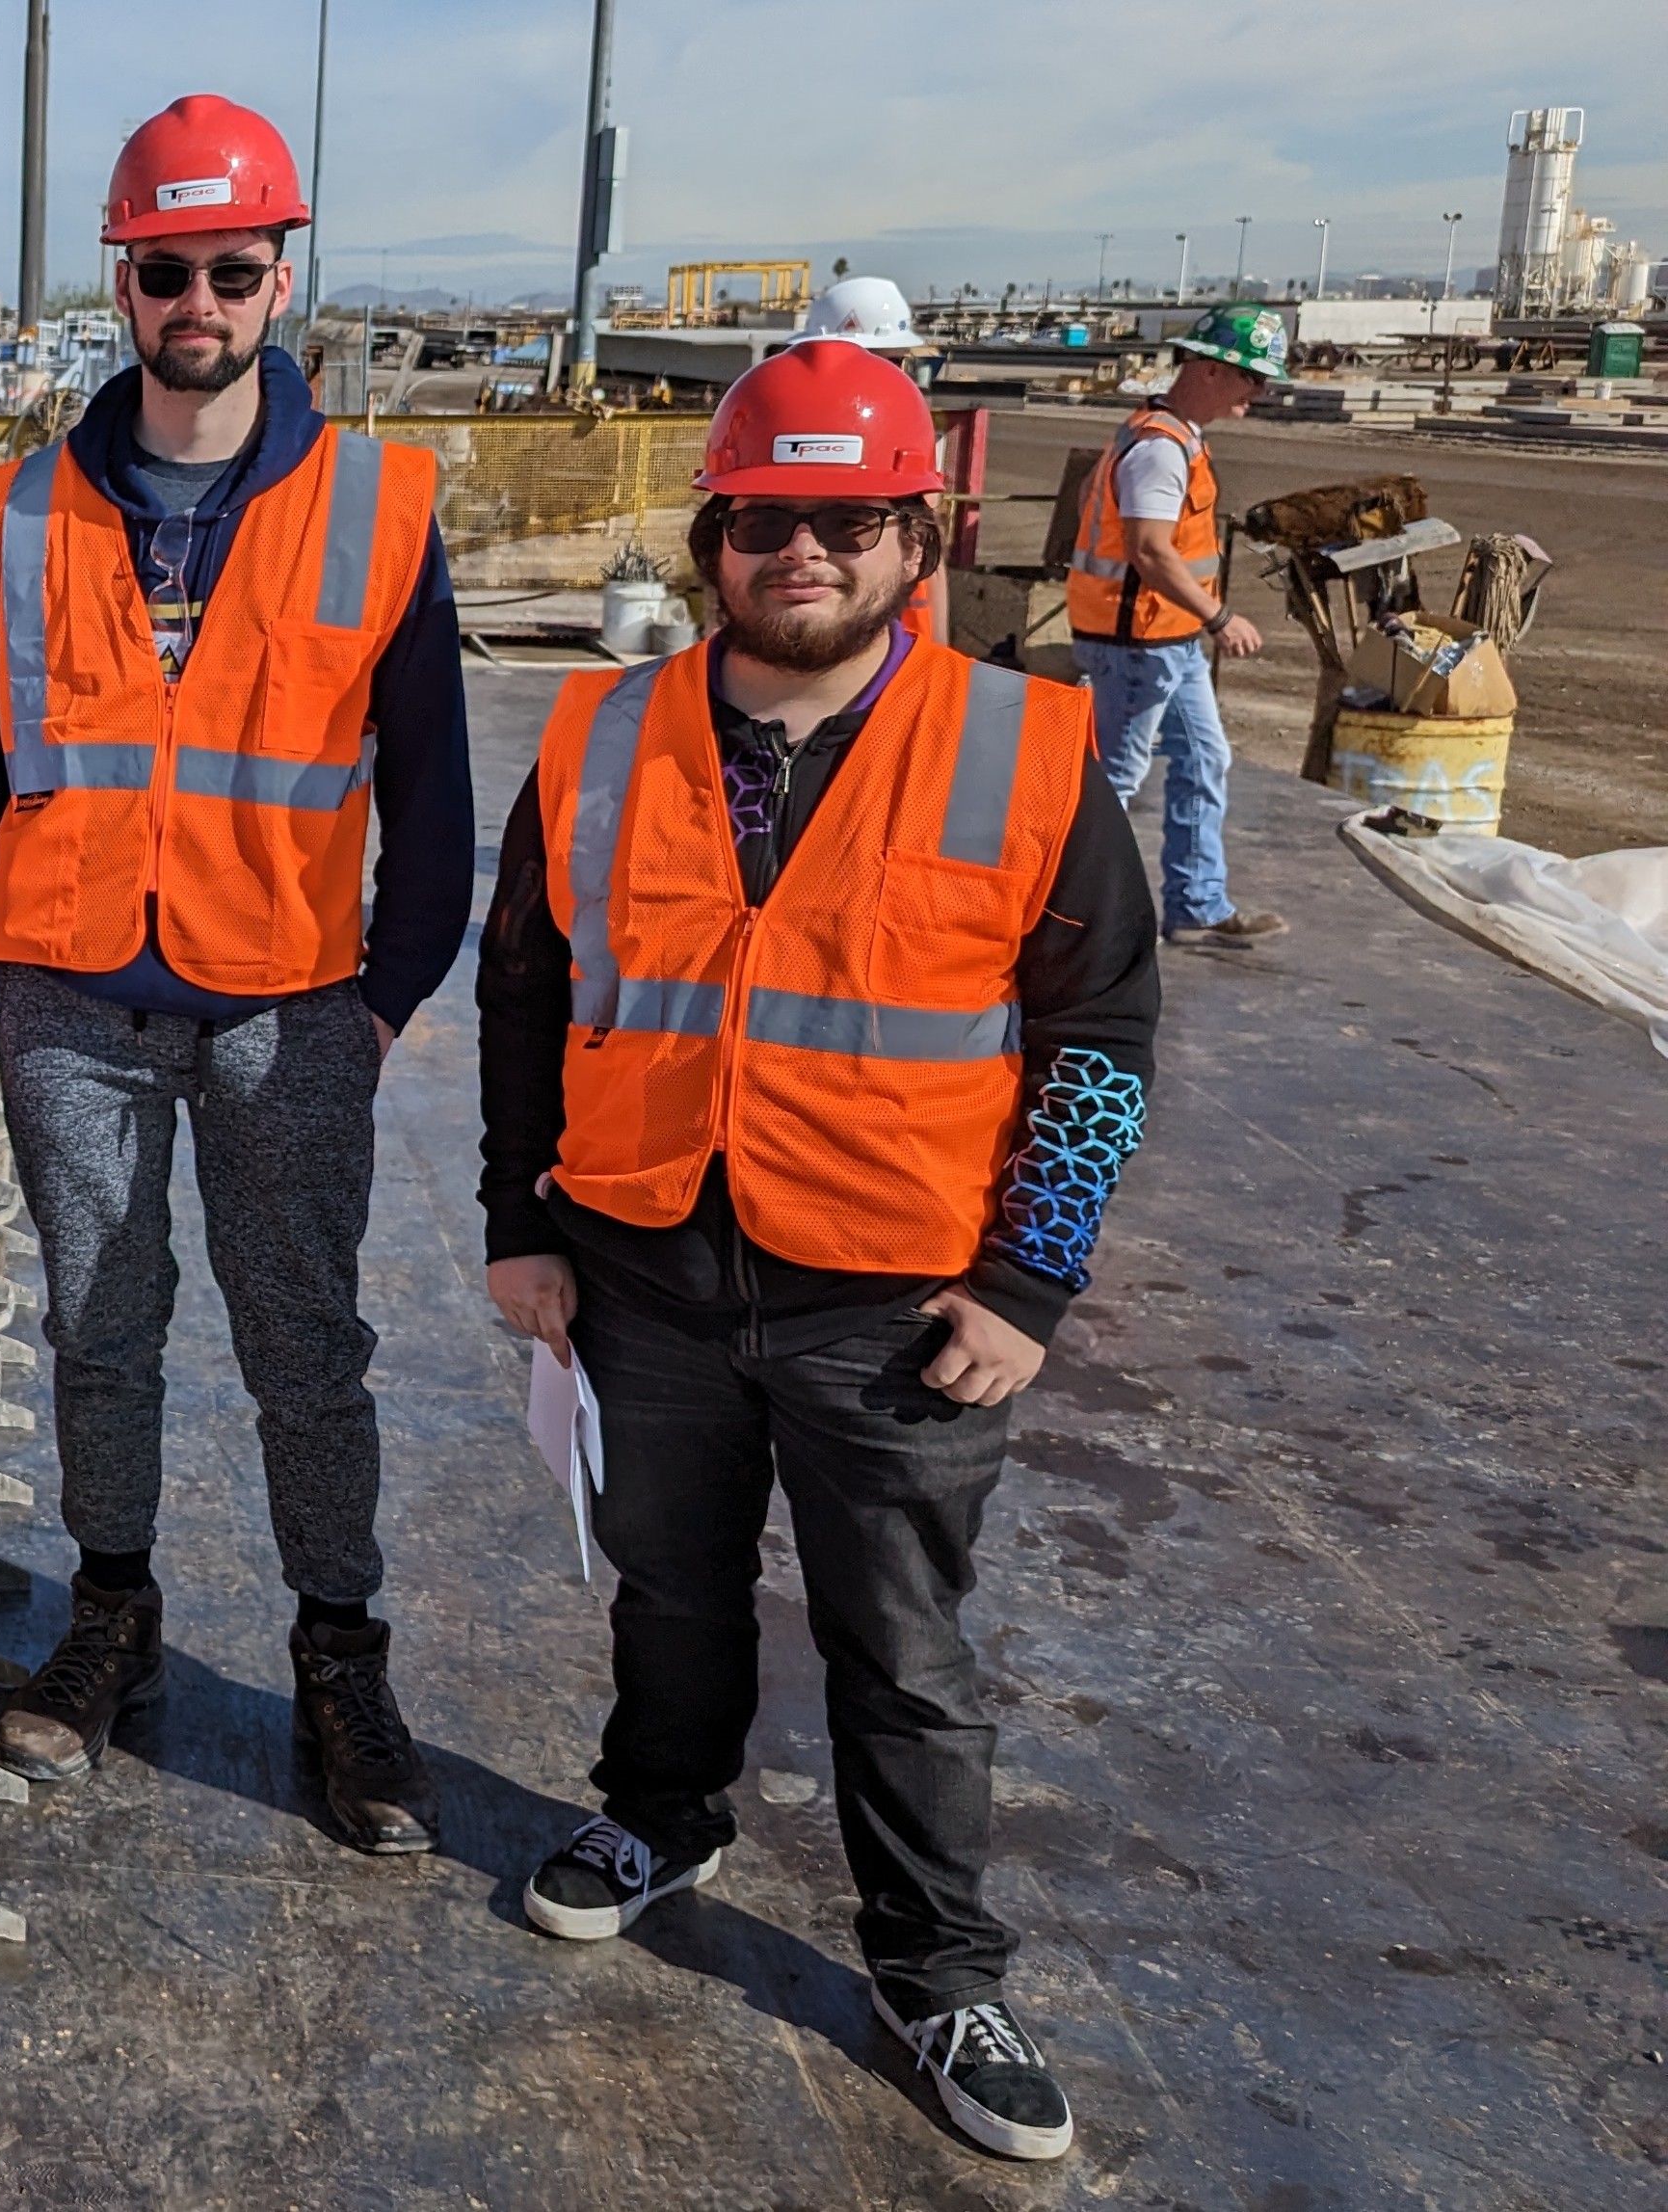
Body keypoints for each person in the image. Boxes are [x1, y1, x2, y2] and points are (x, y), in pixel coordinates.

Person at [476, 339, 1159, 2162]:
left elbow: (1104, 1034)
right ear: (717, 533)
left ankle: (936, 1972)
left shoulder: (1022, 747)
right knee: (669, 1584)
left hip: (902, 1300)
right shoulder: (601, 732)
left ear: (914, 540)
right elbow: (529, 990)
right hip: (644, 1264)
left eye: (847, 519)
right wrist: (518, 1222)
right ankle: (663, 1810)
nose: (805, 552)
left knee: (903, 1644)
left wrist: (1030, 1284)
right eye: (768, 517)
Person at [0, 93, 479, 1852]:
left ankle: (339, 1654)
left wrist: (385, 992)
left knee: (305, 1340)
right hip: (71, 999)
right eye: (168, 271)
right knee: (104, 1329)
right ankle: (115, 1609)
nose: (200, 303)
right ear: (123, 285)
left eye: (234, 268)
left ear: (280, 277)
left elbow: (438, 791)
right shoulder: (16, 515)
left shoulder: (376, 505)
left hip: (289, 1007)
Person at [1069, 301, 1289, 946]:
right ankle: (1071, 916)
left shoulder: (1171, 437)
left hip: (1167, 639)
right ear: (1213, 370)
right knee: (1118, 778)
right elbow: (1149, 550)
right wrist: (1219, 616)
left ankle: (1197, 901)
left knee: (1203, 759)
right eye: (1255, 378)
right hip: (1140, 640)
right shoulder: (1159, 451)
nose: (1261, 393)